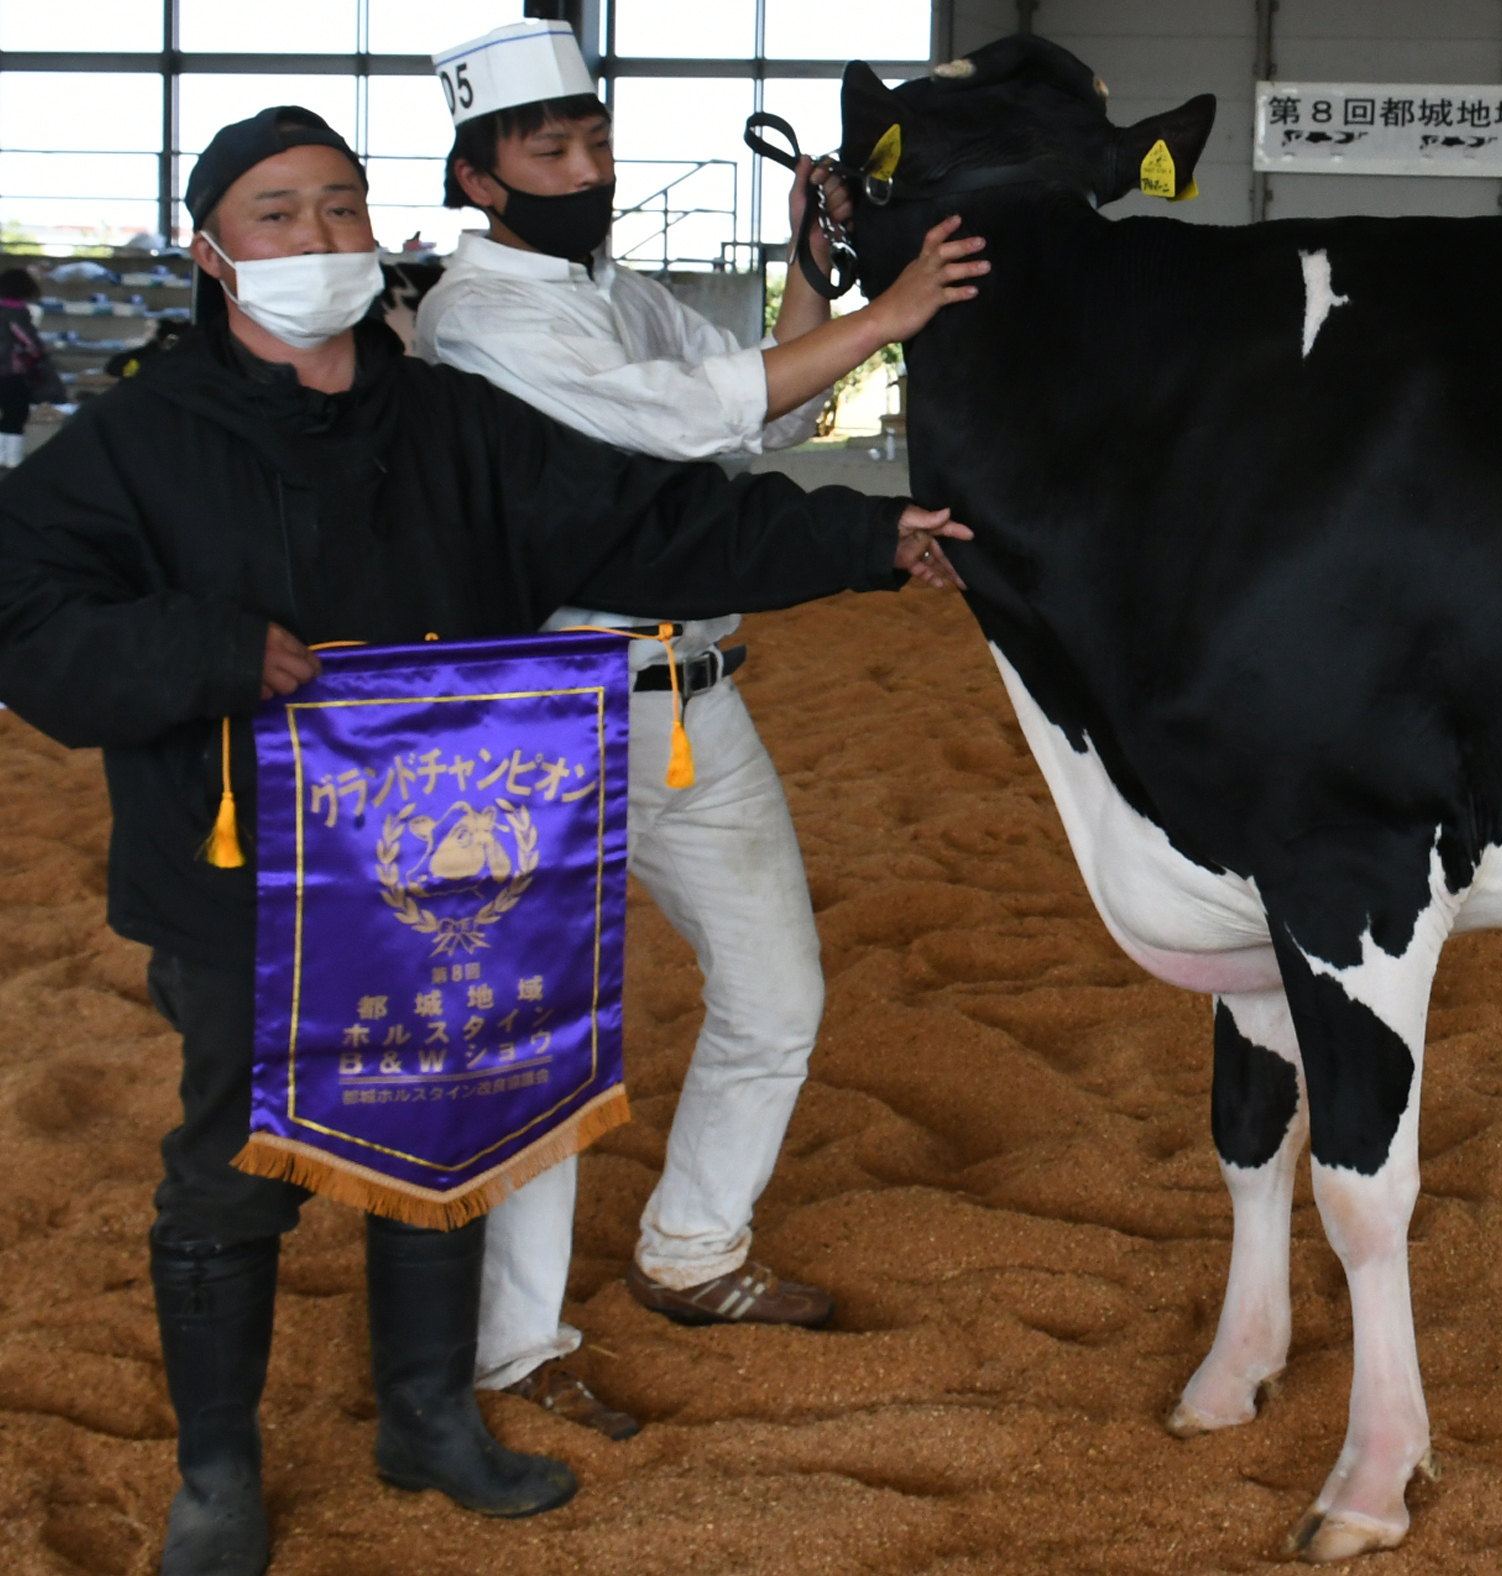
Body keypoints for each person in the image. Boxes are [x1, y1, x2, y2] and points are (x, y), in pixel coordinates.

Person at [0, 106, 967, 1576]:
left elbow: (641, 522)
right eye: (275, 214)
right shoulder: (137, 441)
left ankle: (430, 1418)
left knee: (440, 1125)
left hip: (447, 855)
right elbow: (28, 616)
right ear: (212, 250)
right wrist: (204, 646)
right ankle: (216, 1472)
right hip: (242, 873)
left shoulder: (446, 426)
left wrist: (857, 540)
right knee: (228, 1165)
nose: (316, 238)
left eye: (338, 207)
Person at [410, 20, 987, 1439]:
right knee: (546, 1038)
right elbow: (686, 419)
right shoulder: (485, 316)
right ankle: (514, 1348)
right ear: (479, 178)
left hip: (694, 703)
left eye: (596, 139)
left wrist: (810, 269)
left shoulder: (609, 287)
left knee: (778, 992)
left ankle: (692, 1252)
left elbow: (763, 416)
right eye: (551, 149)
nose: (587, 165)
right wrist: (895, 311)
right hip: (547, 715)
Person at [0, 266, 66, 468]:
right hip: (9, 371)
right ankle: (12, 459)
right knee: (16, 413)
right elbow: (28, 342)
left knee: (9, 413)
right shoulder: (15, 311)